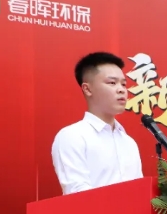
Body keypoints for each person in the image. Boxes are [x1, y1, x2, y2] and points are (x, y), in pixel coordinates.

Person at [51, 52, 143, 195]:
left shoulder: (129, 142)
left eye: (124, 84)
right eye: (112, 83)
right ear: (87, 89)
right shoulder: (72, 136)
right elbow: (77, 192)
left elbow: (139, 191)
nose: (121, 90)